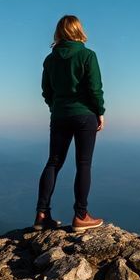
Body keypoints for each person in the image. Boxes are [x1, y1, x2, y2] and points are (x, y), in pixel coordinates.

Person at [34, 14, 105, 231]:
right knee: (83, 164)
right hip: (84, 115)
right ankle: (81, 215)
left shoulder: (50, 59)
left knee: (53, 162)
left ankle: (42, 215)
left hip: (59, 116)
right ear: (78, 31)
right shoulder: (87, 56)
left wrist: (56, 107)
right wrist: (99, 111)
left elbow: (46, 91)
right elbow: (94, 88)